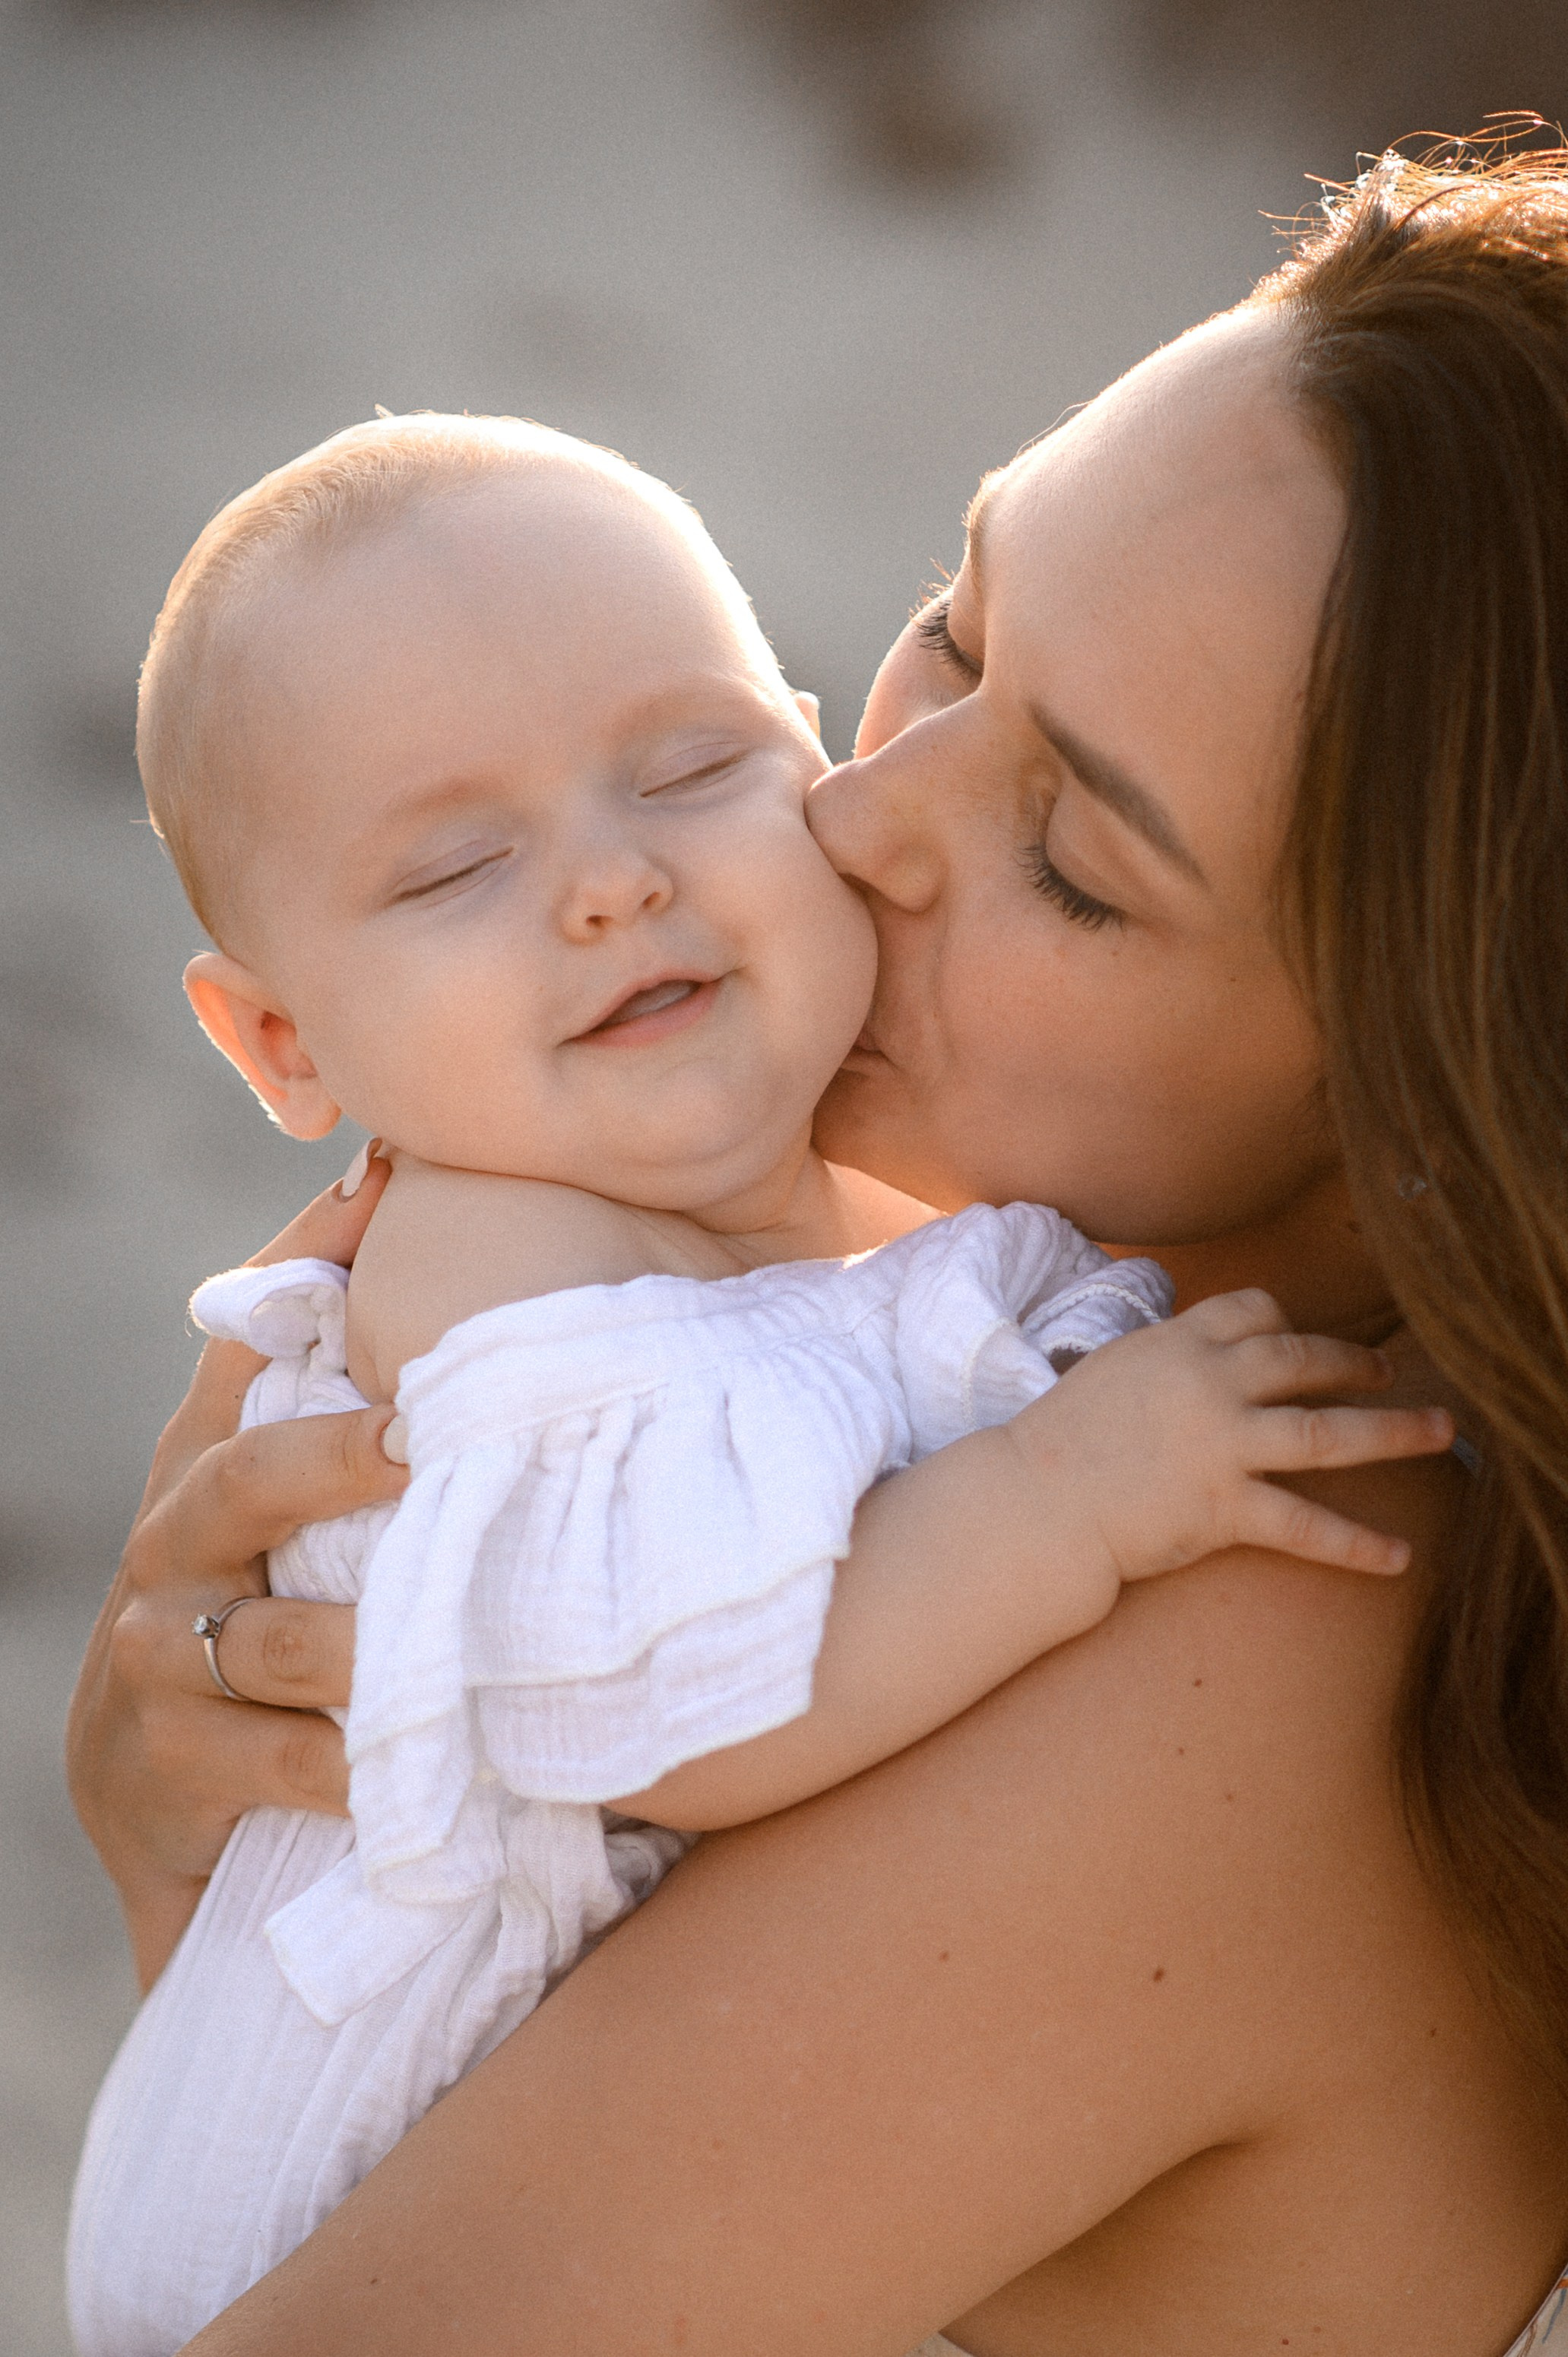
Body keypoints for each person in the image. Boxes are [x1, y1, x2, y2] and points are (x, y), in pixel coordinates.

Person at [65, 147, 1568, 2353]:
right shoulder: (931, 1337)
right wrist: (182, 1830)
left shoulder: (1264, 1611)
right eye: (956, 625)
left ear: (1431, 1101)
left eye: (1068, 855)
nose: (854, 817)